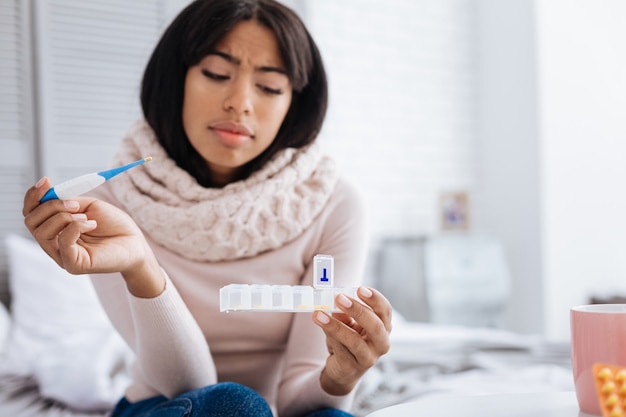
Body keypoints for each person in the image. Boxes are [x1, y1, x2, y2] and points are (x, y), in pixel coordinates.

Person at [22, 0, 392, 416]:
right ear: (175, 79)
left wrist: (340, 377)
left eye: (269, 87)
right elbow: (185, 384)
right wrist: (142, 266)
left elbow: (299, 404)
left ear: (295, 103)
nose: (240, 102)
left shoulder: (336, 204)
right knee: (232, 407)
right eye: (216, 74)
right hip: (163, 403)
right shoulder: (109, 205)